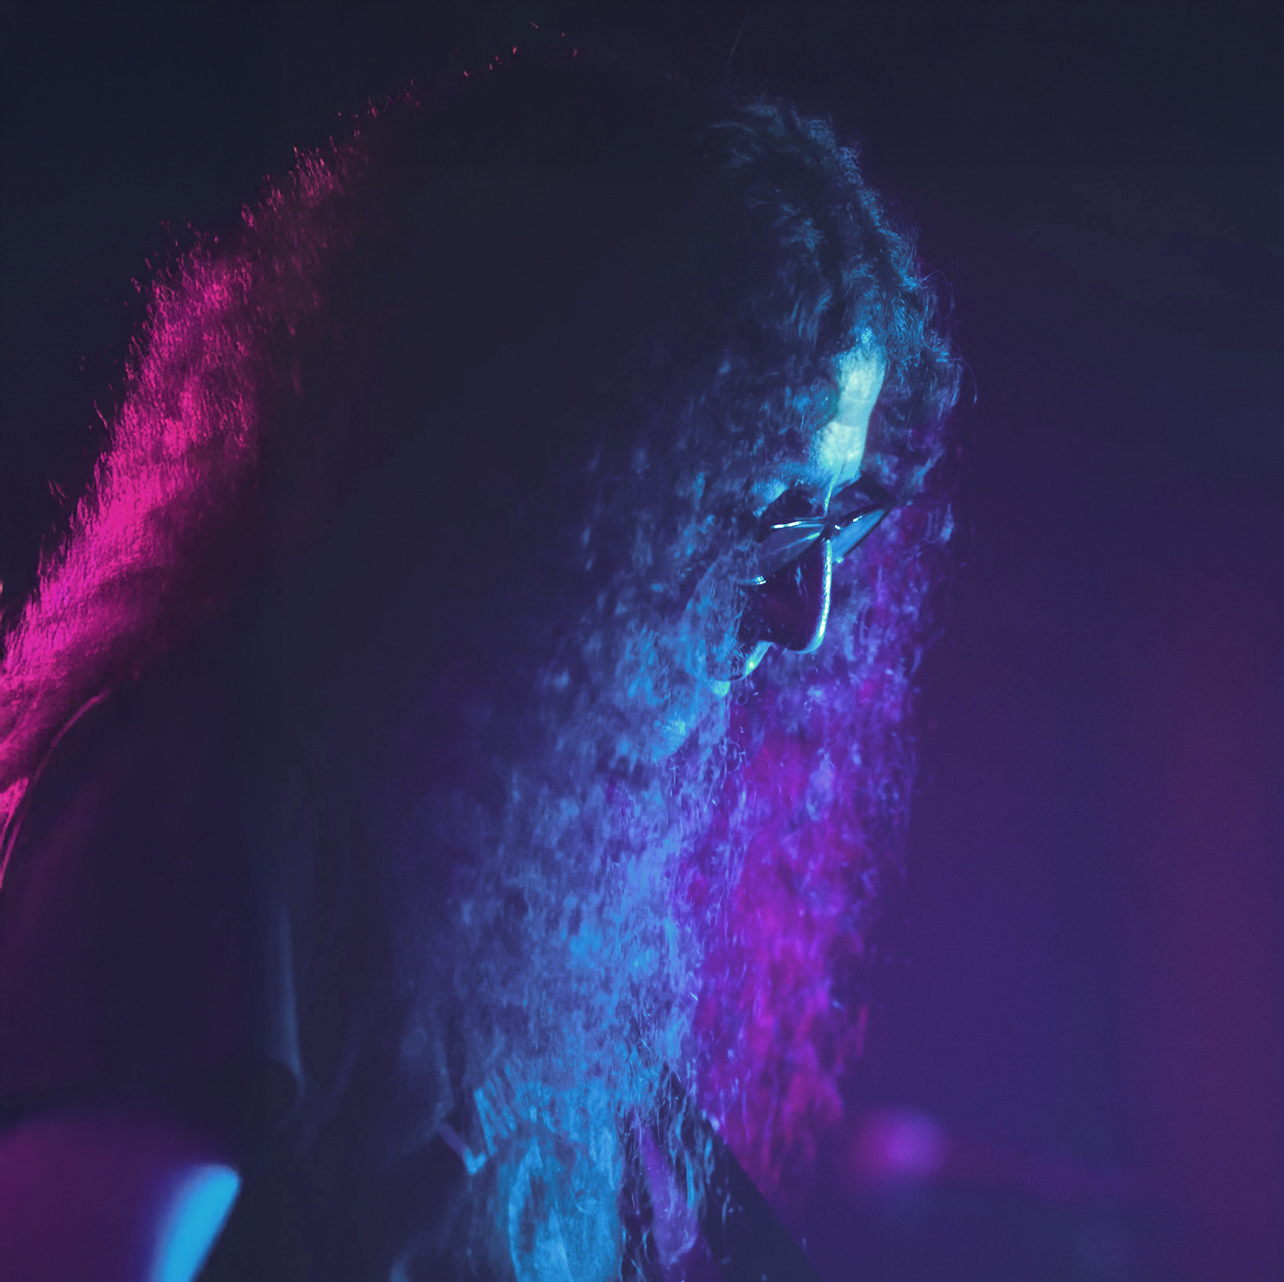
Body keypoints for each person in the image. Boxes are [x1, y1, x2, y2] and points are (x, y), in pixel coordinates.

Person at [0, 53, 959, 1282]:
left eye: (837, 517)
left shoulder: (495, 898)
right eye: (768, 512)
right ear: (553, 470)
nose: (806, 615)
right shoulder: (208, 808)